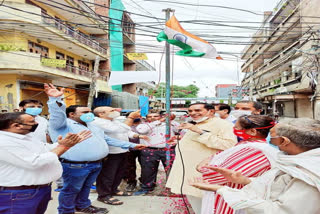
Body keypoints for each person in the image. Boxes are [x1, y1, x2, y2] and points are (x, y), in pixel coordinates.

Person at [44, 83, 146, 214]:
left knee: (86, 188)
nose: (89, 114)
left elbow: (107, 139)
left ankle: (82, 205)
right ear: (71, 115)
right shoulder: (62, 125)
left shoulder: (92, 124)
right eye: (85, 112)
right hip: (75, 166)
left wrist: (132, 145)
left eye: (89, 111)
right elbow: (57, 115)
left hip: (95, 164)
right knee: (71, 190)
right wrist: (55, 100)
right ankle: (66, 210)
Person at [189, 118, 320, 214]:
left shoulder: (308, 176)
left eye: (272, 136)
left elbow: (280, 211)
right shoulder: (295, 162)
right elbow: (280, 185)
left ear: (283, 141)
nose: (269, 140)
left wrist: (222, 190)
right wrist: (244, 180)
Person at [0, 112, 91, 214]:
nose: (36, 123)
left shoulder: (25, 137)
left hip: (38, 190)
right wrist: (63, 147)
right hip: (18, 194)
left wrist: (63, 144)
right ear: (16, 126)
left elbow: (46, 149)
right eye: (32, 122)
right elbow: (34, 162)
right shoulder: (3, 142)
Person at [193, 115, 277, 214]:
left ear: (252, 131)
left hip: (233, 198)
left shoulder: (255, 150)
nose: (234, 129)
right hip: (229, 195)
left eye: (237, 127)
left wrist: (202, 167)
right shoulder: (246, 145)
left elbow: (219, 174)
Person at [166, 103, 237, 214]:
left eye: (198, 110)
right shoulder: (198, 124)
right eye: (190, 111)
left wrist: (199, 131)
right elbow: (198, 142)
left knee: (206, 204)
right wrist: (179, 140)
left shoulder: (223, 125)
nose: (193, 113)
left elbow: (229, 145)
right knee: (194, 200)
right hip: (188, 170)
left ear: (211, 112)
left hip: (203, 172)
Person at [91, 107, 149, 205]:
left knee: (119, 173)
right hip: (110, 152)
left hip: (123, 150)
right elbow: (120, 129)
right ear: (101, 114)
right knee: (107, 175)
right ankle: (104, 195)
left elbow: (126, 131)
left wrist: (137, 136)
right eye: (112, 110)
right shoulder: (98, 122)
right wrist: (130, 117)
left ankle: (113, 190)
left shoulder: (114, 120)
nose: (115, 111)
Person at [133, 111, 179, 196]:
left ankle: (173, 188)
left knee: (171, 169)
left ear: (160, 116)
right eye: (150, 116)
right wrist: (158, 121)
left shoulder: (168, 124)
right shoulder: (143, 125)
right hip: (149, 151)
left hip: (168, 150)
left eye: (155, 116)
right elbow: (141, 130)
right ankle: (147, 188)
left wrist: (171, 120)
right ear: (146, 118)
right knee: (147, 170)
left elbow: (179, 129)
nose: (153, 118)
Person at [124, 117, 143, 192]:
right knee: (130, 167)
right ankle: (131, 182)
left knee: (145, 167)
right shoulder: (124, 126)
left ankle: (144, 181)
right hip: (129, 149)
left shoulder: (145, 125)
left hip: (143, 148)